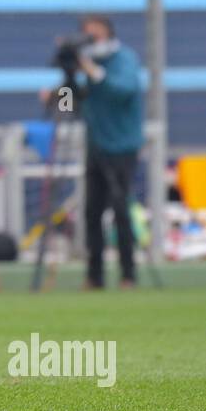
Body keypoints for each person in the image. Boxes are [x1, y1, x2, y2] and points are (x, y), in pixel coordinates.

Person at [74, 15, 144, 290]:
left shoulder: (124, 59)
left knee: (120, 210)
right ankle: (95, 276)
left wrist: (93, 71)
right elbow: (76, 101)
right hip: (96, 145)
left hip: (122, 147)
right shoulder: (87, 66)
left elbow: (123, 91)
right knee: (92, 212)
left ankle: (128, 274)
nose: (92, 41)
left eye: (96, 35)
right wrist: (59, 96)